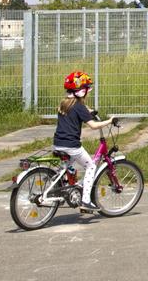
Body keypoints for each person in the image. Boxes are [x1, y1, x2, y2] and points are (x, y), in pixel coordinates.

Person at [53, 70, 117, 212]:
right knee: (91, 167)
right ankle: (86, 201)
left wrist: (88, 110)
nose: (87, 92)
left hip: (58, 143)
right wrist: (109, 121)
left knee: (67, 168)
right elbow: (93, 125)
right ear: (81, 91)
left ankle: (61, 184)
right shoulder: (79, 106)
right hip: (72, 146)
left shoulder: (64, 103)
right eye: (86, 90)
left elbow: (78, 110)